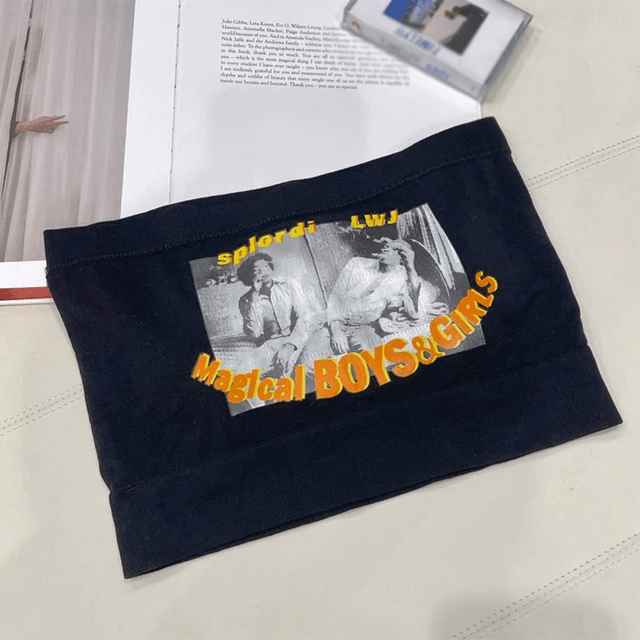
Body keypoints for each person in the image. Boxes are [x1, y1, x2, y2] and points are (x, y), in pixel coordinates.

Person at [325, 237, 448, 354]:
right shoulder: (356, 263)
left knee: (371, 354)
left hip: (363, 328)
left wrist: (410, 267)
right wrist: (336, 330)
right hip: (332, 323)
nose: (386, 248)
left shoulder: (403, 280)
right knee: (316, 353)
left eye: (395, 249)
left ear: (402, 259)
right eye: (387, 245)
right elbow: (335, 297)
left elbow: (416, 312)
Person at [236, 252, 312, 378]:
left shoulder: (288, 284)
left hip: (297, 336)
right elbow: (254, 333)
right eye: (256, 270)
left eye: (266, 266)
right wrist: (255, 295)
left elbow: (304, 317)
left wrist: (290, 346)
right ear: (250, 276)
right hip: (270, 344)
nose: (263, 271)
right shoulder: (246, 301)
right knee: (242, 374)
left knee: (297, 368)